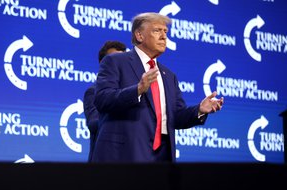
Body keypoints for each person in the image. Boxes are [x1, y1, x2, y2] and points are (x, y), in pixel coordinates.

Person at [92, 12, 224, 163]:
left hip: (162, 158)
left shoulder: (169, 75)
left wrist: (199, 110)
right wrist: (138, 90)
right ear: (139, 35)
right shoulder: (115, 61)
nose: (164, 36)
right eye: (157, 31)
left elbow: (176, 116)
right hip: (125, 155)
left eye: (165, 32)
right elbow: (102, 99)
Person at [83, 40, 126, 162]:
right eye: (114, 59)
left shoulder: (134, 92)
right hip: (105, 162)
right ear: (104, 64)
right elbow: (93, 123)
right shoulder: (93, 91)